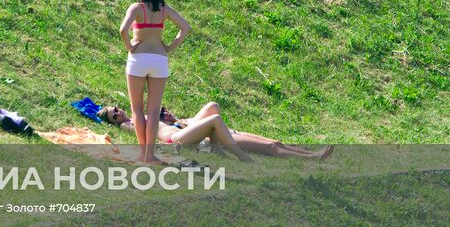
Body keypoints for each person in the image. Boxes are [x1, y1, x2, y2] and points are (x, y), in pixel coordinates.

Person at [99, 102, 333, 161]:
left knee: (276, 141)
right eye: (113, 114)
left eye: (116, 108)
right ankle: (313, 158)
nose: (118, 112)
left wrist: (179, 120)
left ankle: (304, 151)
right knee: (270, 148)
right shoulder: (128, 124)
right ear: (114, 121)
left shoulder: (140, 114)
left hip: (182, 130)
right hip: (175, 139)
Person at [119, 0, 190, 163]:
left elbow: (123, 30)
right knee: (153, 111)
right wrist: (169, 47)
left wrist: (130, 47)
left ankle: (143, 154)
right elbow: (186, 28)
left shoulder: (136, 8)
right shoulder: (164, 9)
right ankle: (150, 155)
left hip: (138, 59)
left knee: (137, 110)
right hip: (159, 60)